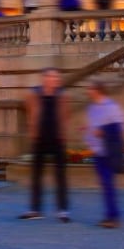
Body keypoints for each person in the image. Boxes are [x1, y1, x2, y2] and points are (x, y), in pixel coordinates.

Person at [19, 68, 71, 222]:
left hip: (57, 139)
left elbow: (66, 115)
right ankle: (35, 209)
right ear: (45, 79)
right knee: (36, 175)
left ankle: (63, 210)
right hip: (39, 138)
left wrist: (63, 131)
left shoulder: (62, 95)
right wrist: (32, 128)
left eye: (56, 78)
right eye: (51, 78)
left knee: (60, 176)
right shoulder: (35, 94)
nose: (55, 80)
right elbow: (29, 110)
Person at [84, 81, 124, 229]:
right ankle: (109, 215)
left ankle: (113, 217)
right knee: (105, 184)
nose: (88, 91)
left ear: (97, 90)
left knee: (108, 183)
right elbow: (91, 127)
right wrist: (88, 135)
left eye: (90, 88)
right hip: (97, 152)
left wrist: (102, 132)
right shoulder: (91, 108)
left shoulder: (111, 107)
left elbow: (119, 128)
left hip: (108, 151)